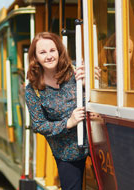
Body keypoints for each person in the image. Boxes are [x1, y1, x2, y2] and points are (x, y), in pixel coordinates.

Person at [25, 32, 89, 190]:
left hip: (96, 144)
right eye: (42, 52)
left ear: (59, 51)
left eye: (52, 50)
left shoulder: (76, 71)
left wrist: (92, 83)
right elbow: (39, 125)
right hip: (67, 153)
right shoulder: (33, 90)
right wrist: (68, 123)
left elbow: (100, 98)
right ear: (35, 57)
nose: (48, 56)